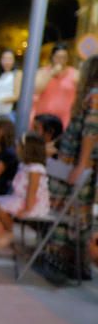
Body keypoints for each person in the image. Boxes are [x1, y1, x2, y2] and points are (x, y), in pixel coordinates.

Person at [40, 55, 98, 282]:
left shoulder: (94, 96)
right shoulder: (92, 95)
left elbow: (90, 133)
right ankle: (75, 262)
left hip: (76, 164)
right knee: (73, 212)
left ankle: (70, 260)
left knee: (73, 212)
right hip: (72, 162)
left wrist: (82, 164)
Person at [0, 132, 50, 255]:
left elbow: (32, 191)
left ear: (28, 150)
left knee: (1, 209)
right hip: (20, 198)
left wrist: (27, 209)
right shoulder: (24, 165)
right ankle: (1, 236)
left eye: (19, 146)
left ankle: (11, 235)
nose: (16, 149)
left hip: (33, 203)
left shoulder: (36, 169)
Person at [32, 43, 78, 130]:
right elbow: (36, 90)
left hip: (65, 119)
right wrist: (51, 73)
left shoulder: (75, 74)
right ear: (52, 57)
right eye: (58, 57)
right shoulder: (42, 72)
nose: (61, 60)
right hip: (43, 118)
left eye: (64, 57)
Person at [0, 49, 20, 118]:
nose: (6, 61)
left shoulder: (17, 74)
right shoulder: (1, 74)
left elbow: (16, 96)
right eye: (4, 58)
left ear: (14, 60)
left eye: (10, 59)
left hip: (8, 113)